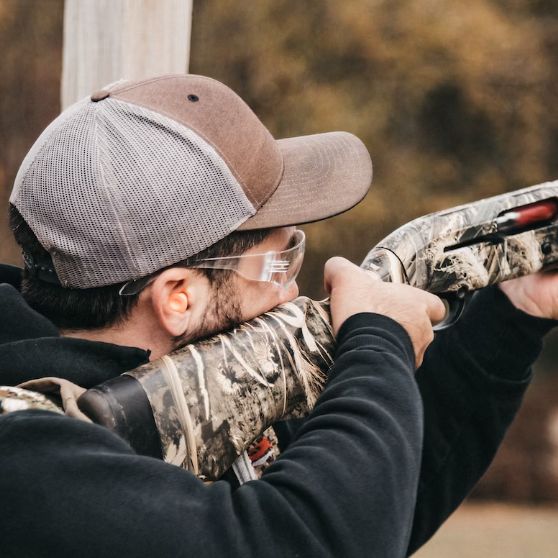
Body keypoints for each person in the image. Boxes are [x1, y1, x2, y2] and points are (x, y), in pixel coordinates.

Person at [0, 74, 555, 557]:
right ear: (178, 297)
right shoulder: (27, 465)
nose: (294, 292)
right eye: (281, 260)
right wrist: (376, 343)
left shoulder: (184, 407)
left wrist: (512, 314)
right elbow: (316, 540)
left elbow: (370, 510)